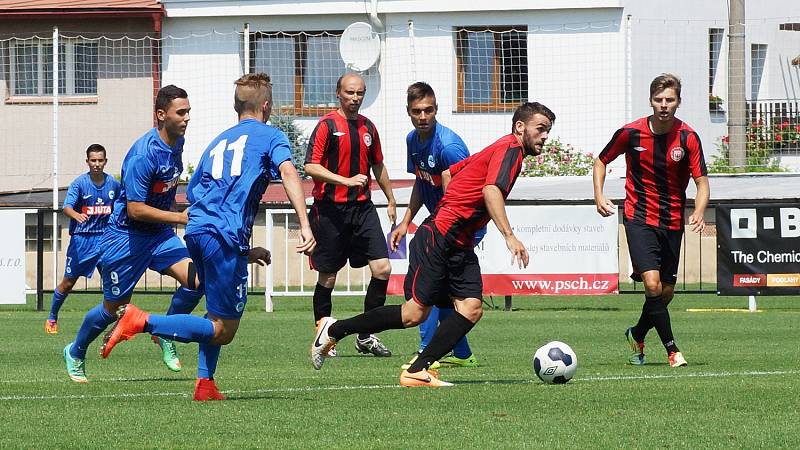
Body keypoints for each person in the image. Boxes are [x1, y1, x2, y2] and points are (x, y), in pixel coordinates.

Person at [98, 73, 316, 401]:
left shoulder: (217, 143)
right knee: (223, 330)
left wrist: (241, 249)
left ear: (236, 106)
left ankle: (205, 383)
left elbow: (200, 194)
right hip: (220, 236)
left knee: (214, 311)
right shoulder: (271, 136)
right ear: (267, 106)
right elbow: (288, 173)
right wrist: (305, 223)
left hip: (198, 232)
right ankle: (141, 320)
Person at [312, 102, 555, 387]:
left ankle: (416, 370)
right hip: (440, 238)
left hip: (457, 242)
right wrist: (508, 235)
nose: (544, 136)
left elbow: (451, 172)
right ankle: (335, 329)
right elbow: (491, 190)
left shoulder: (500, 148)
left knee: (471, 307)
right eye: (540, 129)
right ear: (519, 127)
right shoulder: (511, 150)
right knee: (412, 314)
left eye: (548, 131)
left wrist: (458, 207)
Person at [63, 85, 203, 383]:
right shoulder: (143, 155)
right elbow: (136, 209)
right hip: (126, 238)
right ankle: (75, 350)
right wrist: (180, 217)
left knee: (197, 281)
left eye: (188, 111)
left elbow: (163, 190)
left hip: (159, 235)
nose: (187, 118)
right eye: (181, 112)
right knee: (112, 309)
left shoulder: (178, 143)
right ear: (161, 115)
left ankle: (165, 332)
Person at [593, 73, 709, 368]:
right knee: (653, 285)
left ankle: (637, 333)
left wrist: (698, 209)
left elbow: (702, 182)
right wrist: (599, 194)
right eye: (658, 100)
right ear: (650, 101)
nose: (663, 105)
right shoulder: (630, 133)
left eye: (669, 100)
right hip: (639, 218)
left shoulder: (688, 137)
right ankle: (673, 350)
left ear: (678, 102)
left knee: (666, 292)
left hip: (671, 221)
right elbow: (601, 161)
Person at [389, 82, 483, 370]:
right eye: (417, 111)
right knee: (442, 292)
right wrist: (406, 222)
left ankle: (425, 352)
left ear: (436, 109)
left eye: (428, 110)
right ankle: (462, 353)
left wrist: (443, 231)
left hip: (460, 225)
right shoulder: (412, 141)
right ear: (408, 112)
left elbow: (464, 194)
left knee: (425, 289)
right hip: (439, 224)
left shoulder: (449, 147)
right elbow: (421, 181)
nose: (423, 116)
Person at [304, 72, 397, 357]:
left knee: (383, 269)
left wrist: (391, 199)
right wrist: (344, 181)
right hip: (330, 210)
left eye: (360, 93)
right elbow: (310, 167)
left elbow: (378, 165)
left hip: (362, 208)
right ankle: (324, 337)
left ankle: (366, 336)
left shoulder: (369, 127)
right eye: (350, 93)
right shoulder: (326, 125)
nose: (355, 98)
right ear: (338, 93)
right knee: (328, 278)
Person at [46, 144, 120, 335]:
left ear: (105, 161)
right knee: (68, 282)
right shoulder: (79, 184)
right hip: (82, 240)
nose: (96, 164)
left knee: (113, 281)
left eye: (100, 160)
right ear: (87, 161)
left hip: (105, 240)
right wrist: (76, 215)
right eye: (93, 160)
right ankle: (52, 316)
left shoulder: (113, 184)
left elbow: (122, 206)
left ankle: (117, 321)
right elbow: (66, 207)